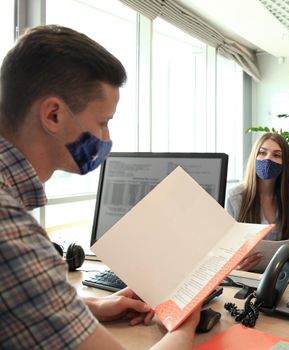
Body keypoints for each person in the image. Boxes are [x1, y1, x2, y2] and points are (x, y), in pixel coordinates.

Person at [0, 25, 199, 349]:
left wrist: (89, 306)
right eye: (103, 122)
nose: (105, 139)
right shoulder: (10, 230)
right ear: (53, 115)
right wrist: (183, 327)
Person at [226, 132, 289, 270]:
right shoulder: (234, 197)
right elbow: (223, 253)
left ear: (285, 163)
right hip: (244, 278)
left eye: (276, 155)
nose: (268, 159)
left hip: (277, 276)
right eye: (262, 153)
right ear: (254, 156)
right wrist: (237, 267)